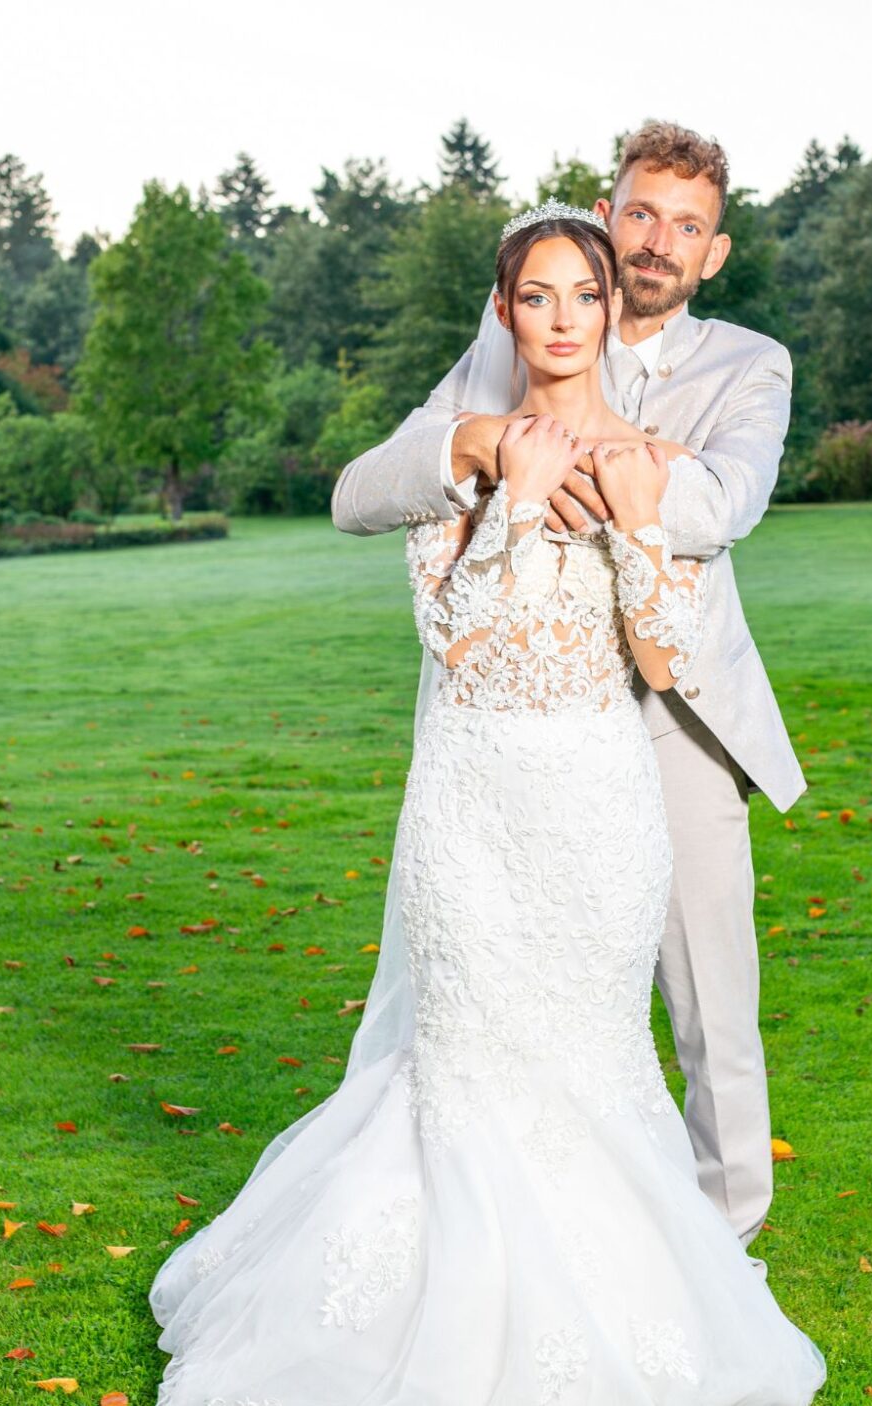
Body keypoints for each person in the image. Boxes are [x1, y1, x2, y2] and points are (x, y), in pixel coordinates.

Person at [147, 206, 825, 1405]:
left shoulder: (653, 462)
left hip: (600, 798)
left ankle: (636, 1294)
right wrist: (510, 491)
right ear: (504, 312)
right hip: (475, 795)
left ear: (614, 310)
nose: (563, 321)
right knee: (464, 1054)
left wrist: (631, 520)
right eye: (537, 298)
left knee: (596, 1056)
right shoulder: (462, 451)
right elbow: (459, 636)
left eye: (584, 298)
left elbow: (665, 659)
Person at [331, 119, 803, 1260]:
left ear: (714, 251)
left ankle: (718, 1246)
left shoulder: (750, 363)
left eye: (685, 226)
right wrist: (484, 440)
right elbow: (363, 490)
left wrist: (594, 468)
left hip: (674, 710)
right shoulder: (512, 339)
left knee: (708, 1002)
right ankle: (510, 1223)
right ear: (607, 210)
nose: (656, 242)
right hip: (508, 722)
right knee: (498, 992)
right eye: (640, 213)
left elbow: (721, 506)